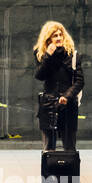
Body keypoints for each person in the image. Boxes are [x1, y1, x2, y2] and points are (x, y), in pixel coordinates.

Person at [33, 21, 85, 152]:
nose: (58, 38)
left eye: (60, 35)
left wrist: (67, 96)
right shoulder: (41, 54)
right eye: (54, 36)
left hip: (68, 105)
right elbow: (40, 75)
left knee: (69, 146)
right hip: (48, 104)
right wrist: (48, 56)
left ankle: (69, 172)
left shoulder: (72, 55)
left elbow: (79, 81)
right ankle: (49, 172)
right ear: (48, 39)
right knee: (49, 148)